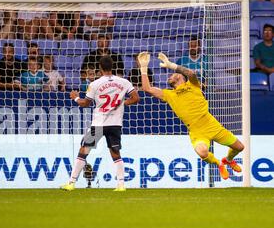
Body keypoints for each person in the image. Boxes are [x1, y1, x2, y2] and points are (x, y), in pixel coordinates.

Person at [138, 52, 244, 180]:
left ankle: (228, 160)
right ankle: (218, 163)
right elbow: (147, 88)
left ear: (180, 76)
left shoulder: (193, 85)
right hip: (197, 132)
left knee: (240, 147)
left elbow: (192, 74)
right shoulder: (169, 95)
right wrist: (143, 68)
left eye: (172, 74)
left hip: (212, 125)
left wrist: (172, 65)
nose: (169, 77)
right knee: (202, 152)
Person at [61, 56, 139, 192]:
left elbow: (85, 104)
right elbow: (136, 98)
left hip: (99, 124)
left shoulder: (95, 84)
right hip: (115, 124)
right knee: (116, 153)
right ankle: (121, 185)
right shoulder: (124, 82)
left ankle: (71, 183)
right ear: (113, 66)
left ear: (100, 68)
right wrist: (123, 103)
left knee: (84, 150)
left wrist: (76, 98)